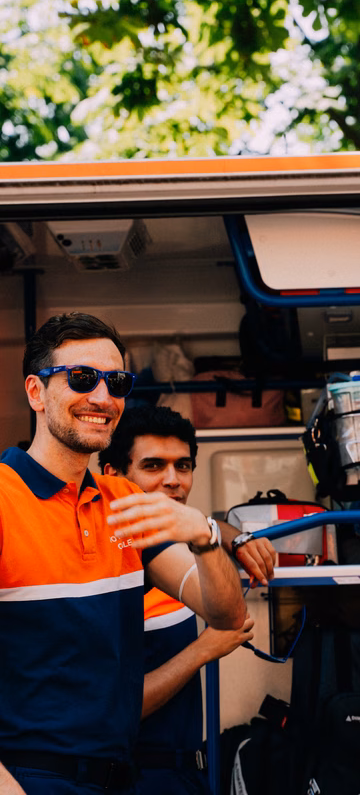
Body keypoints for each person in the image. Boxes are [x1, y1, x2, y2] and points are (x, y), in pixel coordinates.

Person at [0, 313, 247, 795]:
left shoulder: (124, 504)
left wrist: (206, 536)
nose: (102, 397)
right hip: (30, 776)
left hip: (119, 777)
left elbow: (227, 614)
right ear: (35, 392)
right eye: (81, 378)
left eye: (115, 382)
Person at [98, 405, 278, 795]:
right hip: (132, 774)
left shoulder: (179, 548)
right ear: (112, 476)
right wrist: (202, 651)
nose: (173, 480)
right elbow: (113, 708)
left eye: (183, 466)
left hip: (184, 771)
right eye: (152, 466)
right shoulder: (109, 562)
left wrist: (227, 533)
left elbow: (196, 528)